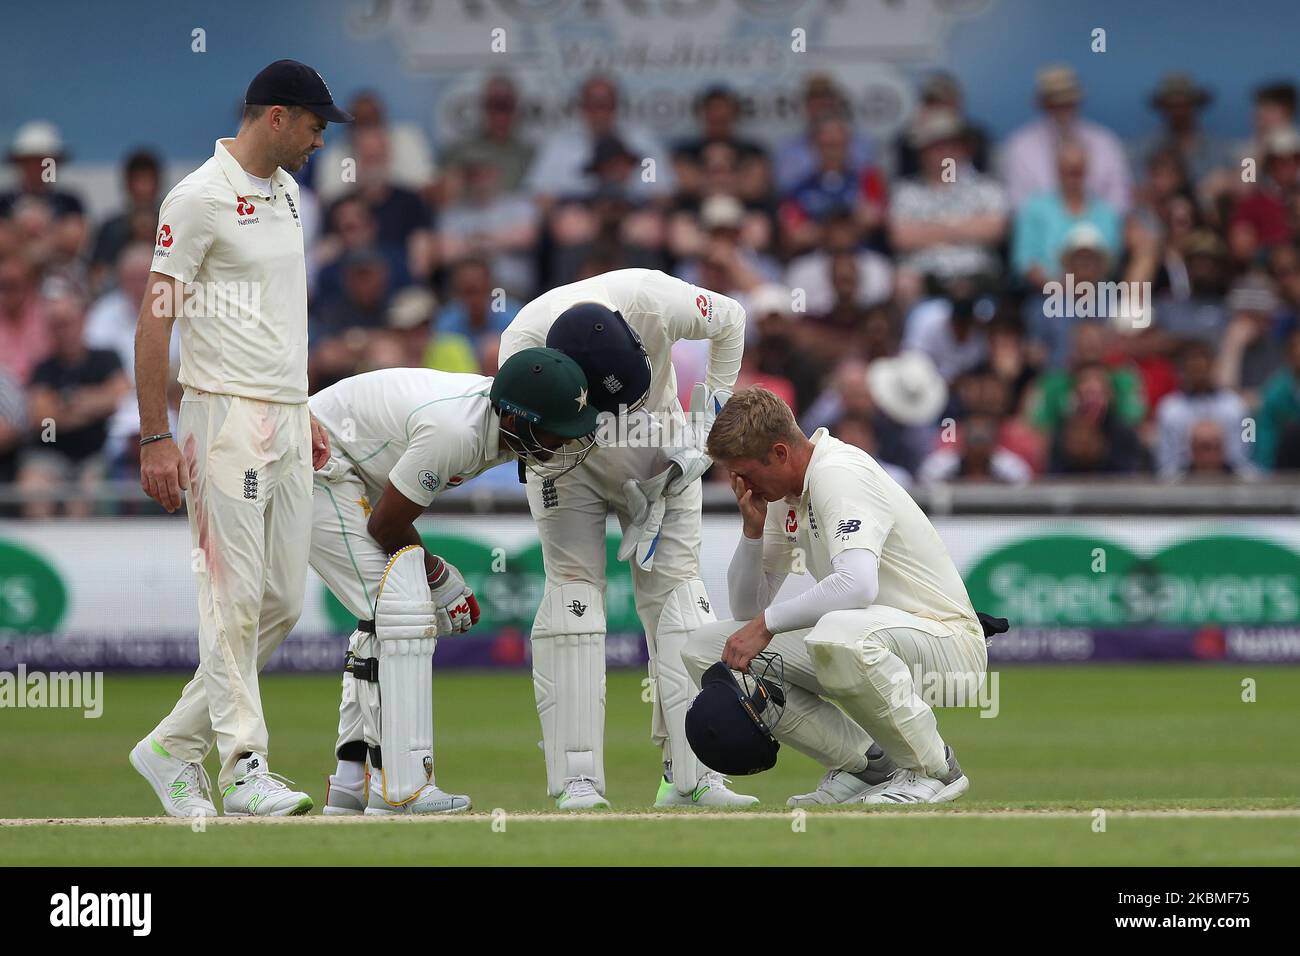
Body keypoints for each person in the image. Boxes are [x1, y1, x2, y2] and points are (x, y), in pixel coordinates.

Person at [129, 60, 352, 818]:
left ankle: (169, 746)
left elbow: (280, 316)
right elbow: (156, 316)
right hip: (221, 417)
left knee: (282, 602)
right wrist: (156, 433)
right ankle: (244, 765)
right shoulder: (195, 199)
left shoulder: (290, 193)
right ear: (277, 117)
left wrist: (303, 406)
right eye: (316, 125)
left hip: (286, 414)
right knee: (231, 600)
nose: (322, 140)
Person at [498, 268, 754, 809]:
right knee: (573, 604)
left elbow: (731, 318)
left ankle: (693, 776)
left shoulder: (656, 300)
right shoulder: (523, 345)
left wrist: (708, 429)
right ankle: (578, 779)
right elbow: (518, 433)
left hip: (666, 458)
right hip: (567, 463)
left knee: (682, 604)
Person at [313, 350, 599, 814]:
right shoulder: (455, 433)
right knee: (396, 613)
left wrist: (438, 580)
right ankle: (398, 787)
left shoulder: (500, 420)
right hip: (321, 457)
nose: (565, 444)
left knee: (383, 617)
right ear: (518, 419)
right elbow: (386, 528)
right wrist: (441, 580)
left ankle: (352, 781)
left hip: (350, 465)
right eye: (557, 432)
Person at [680, 387, 990, 805]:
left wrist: (767, 625)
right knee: (708, 649)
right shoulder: (780, 496)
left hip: (949, 646)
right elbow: (746, 610)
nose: (742, 486)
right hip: (875, 641)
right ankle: (867, 766)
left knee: (838, 634)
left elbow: (858, 584)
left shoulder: (838, 473)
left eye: (747, 473)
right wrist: (752, 533)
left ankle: (933, 769)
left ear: (780, 453)